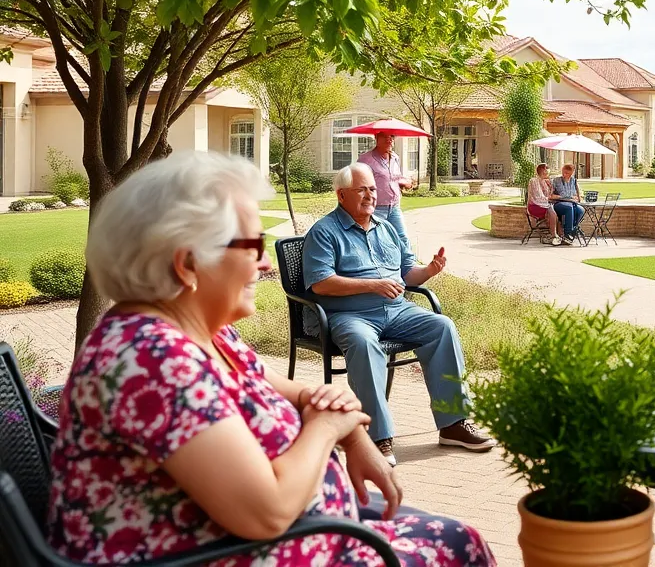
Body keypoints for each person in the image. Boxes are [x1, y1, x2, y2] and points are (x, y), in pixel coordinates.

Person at [46, 152, 495, 566]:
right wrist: (328, 428)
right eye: (253, 245)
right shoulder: (153, 360)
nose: (265, 265)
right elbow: (266, 513)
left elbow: (283, 386)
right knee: (459, 544)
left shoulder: (203, 335)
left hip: (286, 534)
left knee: (459, 534)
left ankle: (453, 420)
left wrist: (355, 437)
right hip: (236, 550)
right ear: (187, 265)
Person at [302, 163, 495, 466]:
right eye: (362, 189)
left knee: (441, 326)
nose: (370, 195)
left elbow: (408, 274)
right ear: (341, 195)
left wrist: (430, 270)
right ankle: (377, 437)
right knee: (365, 345)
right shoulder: (324, 232)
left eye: (373, 189)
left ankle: (453, 423)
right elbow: (321, 283)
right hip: (350, 316)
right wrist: (373, 285)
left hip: (396, 310)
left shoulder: (386, 227)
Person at [358, 130, 414, 243]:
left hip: (394, 207)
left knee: (402, 238)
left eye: (391, 137)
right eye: (384, 137)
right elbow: (358, 182)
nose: (389, 140)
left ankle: (408, 261)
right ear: (376, 138)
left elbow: (395, 177)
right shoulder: (365, 159)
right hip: (375, 208)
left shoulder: (395, 158)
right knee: (374, 240)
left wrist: (404, 183)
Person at [526, 162, 563, 246]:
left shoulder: (545, 182)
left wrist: (551, 188)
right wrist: (551, 198)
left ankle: (561, 235)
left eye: (547, 171)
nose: (546, 173)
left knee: (558, 210)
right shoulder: (534, 181)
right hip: (534, 206)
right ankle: (554, 235)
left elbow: (548, 195)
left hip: (544, 203)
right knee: (551, 210)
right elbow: (538, 197)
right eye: (545, 171)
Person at [550, 163, 585, 242]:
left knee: (581, 210)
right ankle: (567, 233)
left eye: (567, 173)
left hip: (572, 203)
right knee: (569, 208)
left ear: (572, 173)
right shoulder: (556, 180)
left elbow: (579, 195)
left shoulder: (574, 181)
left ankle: (573, 229)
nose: (564, 174)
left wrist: (578, 197)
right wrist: (563, 197)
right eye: (563, 172)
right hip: (559, 204)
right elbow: (550, 195)